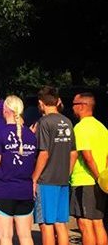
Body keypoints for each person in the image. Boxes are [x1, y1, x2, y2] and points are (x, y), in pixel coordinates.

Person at [0, 95, 37, 245]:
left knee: (5, 237)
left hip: (4, 189)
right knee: (26, 237)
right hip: (25, 190)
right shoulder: (30, 135)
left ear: (5, 109)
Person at [31, 86, 76, 245]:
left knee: (46, 224)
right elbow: (73, 153)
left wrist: (34, 178)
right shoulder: (68, 121)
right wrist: (67, 173)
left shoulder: (43, 122)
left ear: (41, 103)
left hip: (46, 180)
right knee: (60, 223)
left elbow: (44, 153)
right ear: (57, 101)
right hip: (62, 180)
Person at [70, 92, 108, 245]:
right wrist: (103, 178)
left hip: (84, 180)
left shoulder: (80, 128)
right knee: (98, 222)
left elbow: (87, 156)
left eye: (74, 104)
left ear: (82, 106)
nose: (72, 108)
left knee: (85, 224)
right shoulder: (102, 127)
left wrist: (97, 177)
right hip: (101, 181)